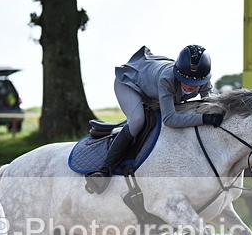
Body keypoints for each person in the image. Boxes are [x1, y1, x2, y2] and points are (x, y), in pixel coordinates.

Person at [85, 45, 223, 194]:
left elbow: (210, 104)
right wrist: (205, 118)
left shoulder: (203, 80)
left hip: (153, 90)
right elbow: (169, 119)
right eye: (185, 81)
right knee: (137, 120)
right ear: (178, 73)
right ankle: (104, 171)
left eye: (194, 84)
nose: (190, 86)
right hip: (129, 83)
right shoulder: (167, 78)